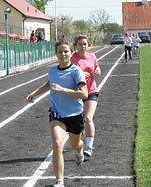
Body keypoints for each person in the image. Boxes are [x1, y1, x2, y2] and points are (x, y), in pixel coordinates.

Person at [26, 40, 88, 187]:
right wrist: (34, 93)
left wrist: (63, 90)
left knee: (74, 145)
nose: (63, 54)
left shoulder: (76, 71)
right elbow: (49, 84)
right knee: (57, 144)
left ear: (71, 53)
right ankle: (59, 181)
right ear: (56, 54)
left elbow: (84, 94)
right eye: (60, 52)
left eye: (66, 51)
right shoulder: (52, 71)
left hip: (75, 114)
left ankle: (79, 149)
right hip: (57, 114)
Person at [71, 34, 101, 158]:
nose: (83, 46)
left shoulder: (92, 56)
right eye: (80, 44)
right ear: (75, 46)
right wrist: (80, 74)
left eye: (85, 44)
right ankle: (79, 141)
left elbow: (96, 66)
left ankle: (89, 147)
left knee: (88, 117)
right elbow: (69, 73)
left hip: (91, 91)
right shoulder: (72, 59)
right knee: (77, 122)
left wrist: (98, 70)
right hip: (77, 92)